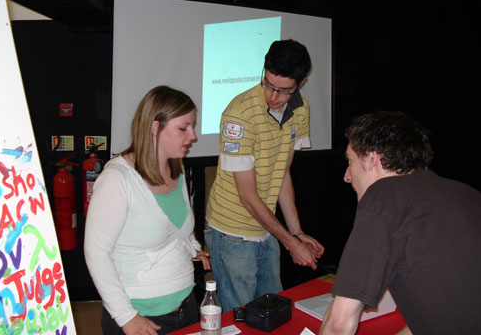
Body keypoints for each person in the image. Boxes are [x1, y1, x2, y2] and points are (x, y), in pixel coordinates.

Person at [319, 111, 481, 335]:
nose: (347, 176)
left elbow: (339, 325)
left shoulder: (383, 195)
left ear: (371, 158)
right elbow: (440, 313)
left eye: (350, 162)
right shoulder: (467, 194)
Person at [205, 39, 325, 312]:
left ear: (301, 83)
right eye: (268, 84)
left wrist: (296, 232)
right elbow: (247, 196)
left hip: (266, 226)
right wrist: (290, 243)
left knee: (271, 312)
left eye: (283, 91)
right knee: (240, 317)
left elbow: (282, 173)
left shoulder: (301, 110)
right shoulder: (239, 115)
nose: (273, 96)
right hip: (232, 233)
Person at [84, 86, 211, 335]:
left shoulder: (176, 167)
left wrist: (190, 246)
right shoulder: (117, 179)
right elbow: (96, 253)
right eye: (183, 128)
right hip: (141, 316)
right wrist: (127, 317)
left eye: (192, 126)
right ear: (155, 128)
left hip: (185, 307)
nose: (193, 136)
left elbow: (176, 228)